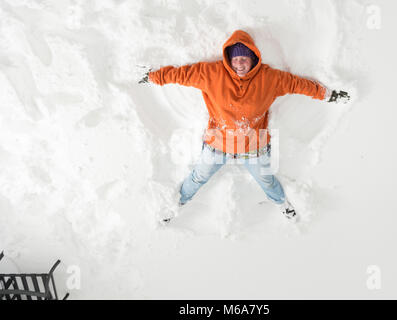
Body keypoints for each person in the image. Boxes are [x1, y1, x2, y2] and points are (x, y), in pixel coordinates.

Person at [140, 30, 350, 224]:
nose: (240, 64)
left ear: (253, 59)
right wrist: (152, 76)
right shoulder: (211, 74)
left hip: (254, 147)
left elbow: (298, 84)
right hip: (218, 144)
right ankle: (176, 204)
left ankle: (281, 203)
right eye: (236, 59)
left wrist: (328, 95)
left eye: (244, 59)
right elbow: (179, 75)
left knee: (266, 180)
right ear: (229, 60)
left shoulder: (270, 79)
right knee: (198, 176)